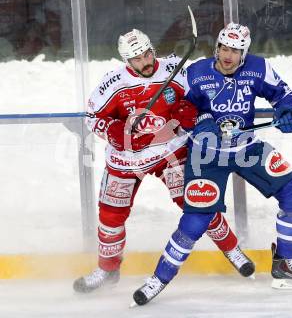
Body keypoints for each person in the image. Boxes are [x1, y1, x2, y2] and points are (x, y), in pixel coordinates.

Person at [131, 22, 292, 306]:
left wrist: (287, 111)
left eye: (235, 50)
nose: (228, 55)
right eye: (224, 48)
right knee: (195, 221)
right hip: (206, 155)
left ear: (244, 53)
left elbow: (283, 93)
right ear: (217, 48)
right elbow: (179, 105)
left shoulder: (258, 68)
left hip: (246, 148)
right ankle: (159, 278)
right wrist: (198, 119)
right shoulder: (195, 73)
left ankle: (285, 263)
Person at [73, 29, 255, 293]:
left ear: (152, 49)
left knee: (199, 201)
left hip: (171, 151)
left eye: (147, 54)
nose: (145, 61)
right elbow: (93, 118)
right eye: (137, 59)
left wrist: (189, 111)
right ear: (126, 61)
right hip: (126, 159)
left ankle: (232, 250)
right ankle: (107, 269)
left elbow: (201, 100)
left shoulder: (174, 69)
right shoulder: (112, 83)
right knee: (111, 216)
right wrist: (117, 131)